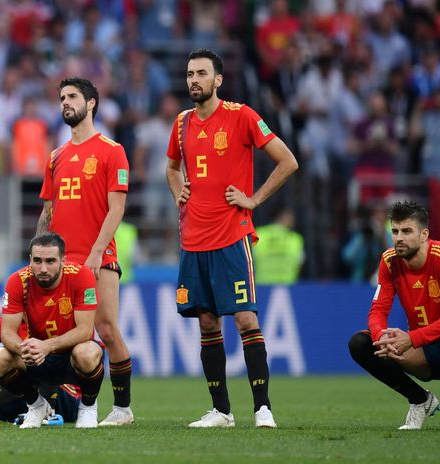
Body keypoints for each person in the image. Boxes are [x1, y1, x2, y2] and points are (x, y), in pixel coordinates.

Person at [165, 49, 298, 428]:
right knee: (207, 323)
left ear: (217, 80)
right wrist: (178, 191)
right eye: (190, 73)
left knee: (244, 319)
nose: (194, 79)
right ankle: (221, 411)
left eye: (201, 73)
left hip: (231, 236)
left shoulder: (241, 116)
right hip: (193, 240)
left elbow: (287, 160)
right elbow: (171, 168)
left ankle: (262, 408)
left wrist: (253, 199)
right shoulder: (180, 124)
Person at [37, 77, 135, 426]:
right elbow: (47, 210)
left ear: (91, 103)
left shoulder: (112, 150)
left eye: (73, 96)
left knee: (106, 330)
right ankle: (51, 406)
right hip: (61, 263)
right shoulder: (56, 156)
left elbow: (117, 209)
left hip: (98, 258)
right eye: (62, 97)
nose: (65, 102)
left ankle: (122, 408)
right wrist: (36, 255)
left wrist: (95, 254)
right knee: (55, 339)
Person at [347, 201, 440, 431]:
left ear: (424, 234)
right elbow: (377, 311)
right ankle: (419, 400)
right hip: (425, 348)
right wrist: (381, 337)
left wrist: (411, 339)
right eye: (394, 231)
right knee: (361, 343)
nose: (398, 238)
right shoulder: (389, 261)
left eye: (406, 231)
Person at [0, 232, 105, 429]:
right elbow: (7, 332)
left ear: (63, 260)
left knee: (87, 352)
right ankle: (36, 406)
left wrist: (47, 345)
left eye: (50, 261)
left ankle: (88, 406)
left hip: (71, 358)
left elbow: (85, 331)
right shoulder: (17, 281)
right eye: (37, 261)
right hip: (37, 358)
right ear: (30, 260)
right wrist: (24, 348)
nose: (43, 268)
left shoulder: (81, 276)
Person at [253, 209, 305, 285]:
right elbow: (300, 262)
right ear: (282, 216)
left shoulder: (259, 234)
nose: (293, 219)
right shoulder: (295, 238)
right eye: (290, 215)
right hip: (288, 285)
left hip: (260, 285)